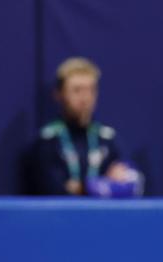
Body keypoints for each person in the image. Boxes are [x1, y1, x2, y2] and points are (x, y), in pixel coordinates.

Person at [29, 57, 142, 197]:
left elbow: (130, 185)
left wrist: (81, 187)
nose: (85, 98)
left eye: (91, 90)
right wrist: (105, 185)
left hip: (103, 217)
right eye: (77, 90)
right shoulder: (47, 142)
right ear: (59, 94)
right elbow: (53, 190)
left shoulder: (107, 139)